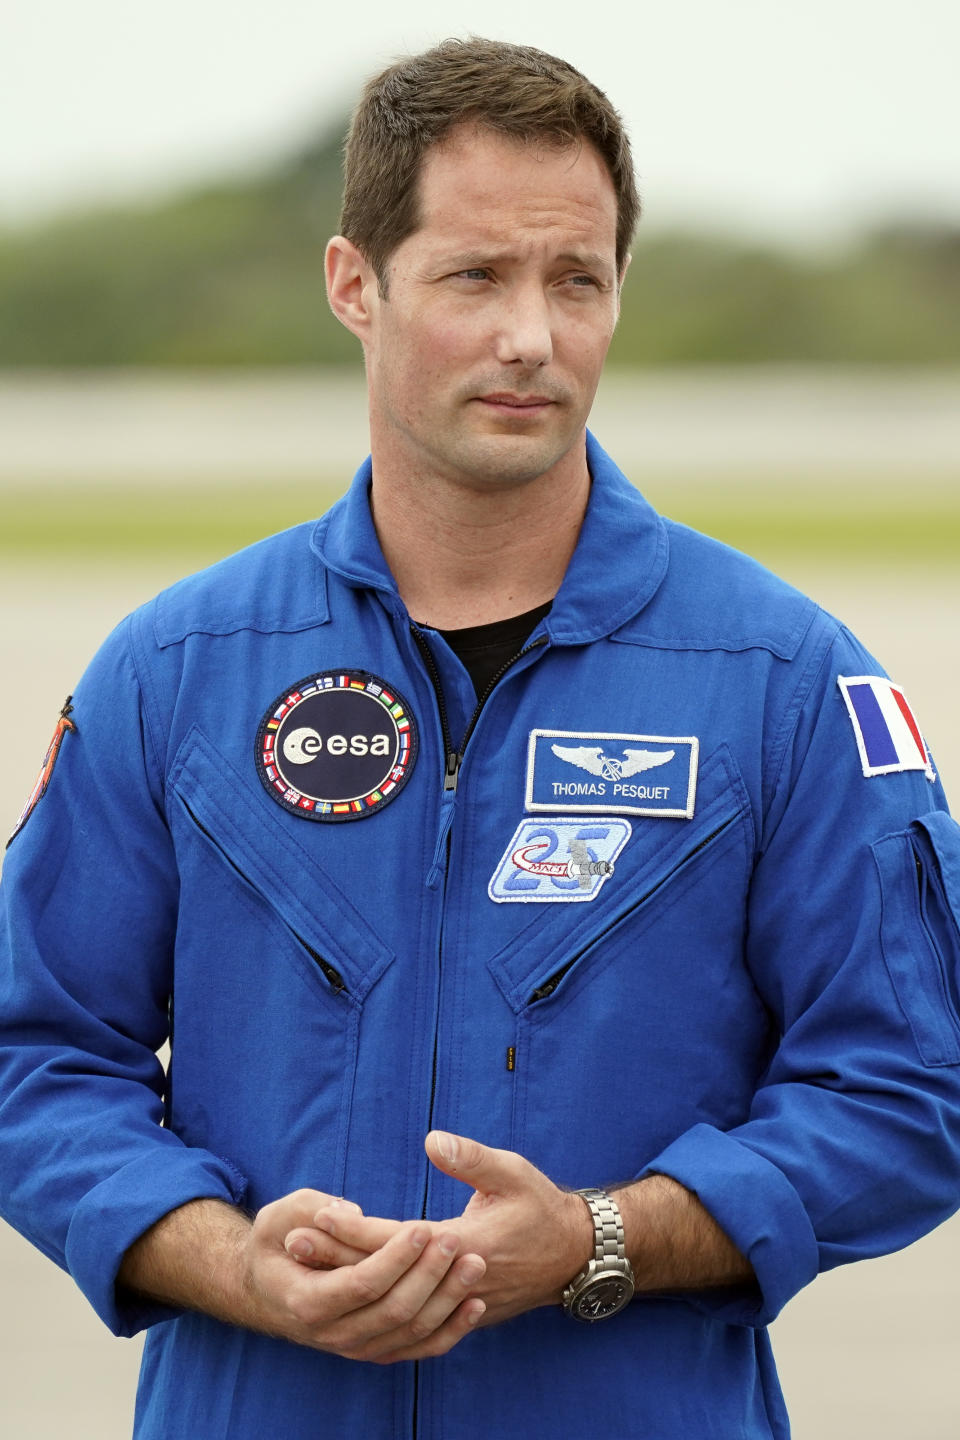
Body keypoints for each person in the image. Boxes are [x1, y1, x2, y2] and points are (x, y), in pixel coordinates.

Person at [2, 35, 960, 1440]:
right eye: (474, 277)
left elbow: (911, 1086)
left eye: (576, 279)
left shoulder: (781, 678)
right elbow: (36, 1055)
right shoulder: (177, 670)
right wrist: (230, 1263)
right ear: (355, 286)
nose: (533, 335)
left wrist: (598, 1240)